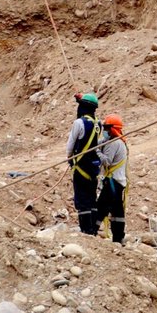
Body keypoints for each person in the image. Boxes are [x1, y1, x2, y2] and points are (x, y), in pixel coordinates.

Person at [65, 93, 102, 234]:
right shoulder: (98, 123)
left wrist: (70, 158)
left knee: (82, 199)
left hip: (80, 166)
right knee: (92, 198)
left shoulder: (79, 123)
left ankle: (85, 230)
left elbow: (71, 145)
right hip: (93, 167)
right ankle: (92, 229)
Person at [95, 114, 128, 245]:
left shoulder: (114, 143)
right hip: (118, 182)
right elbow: (101, 142)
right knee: (117, 211)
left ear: (113, 129)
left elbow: (107, 161)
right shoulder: (116, 141)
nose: (105, 131)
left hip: (113, 182)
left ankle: (91, 230)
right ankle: (119, 238)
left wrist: (96, 151)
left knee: (101, 207)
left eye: (107, 128)